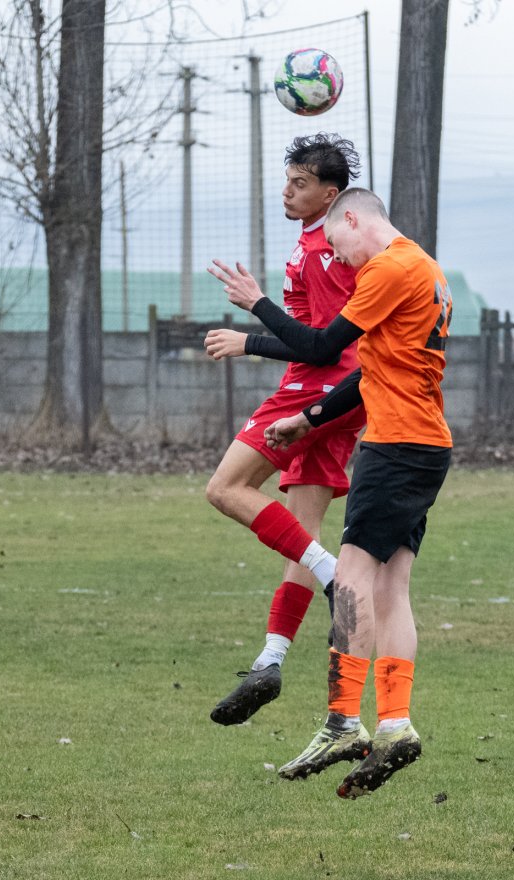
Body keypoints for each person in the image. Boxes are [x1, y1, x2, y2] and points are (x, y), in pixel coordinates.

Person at [206, 187, 453, 799]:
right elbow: (372, 372)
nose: (335, 257)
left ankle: (344, 720)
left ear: (352, 218)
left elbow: (321, 347)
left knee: (349, 582)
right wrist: (312, 418)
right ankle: (395, 723)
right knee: (392, 585)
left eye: (335, 242)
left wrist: (257, 305)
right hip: (427, 446)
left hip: (393, 448)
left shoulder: (387, 268)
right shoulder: (425, 268)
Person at [202, 134, 366, 727]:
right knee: (302, 532)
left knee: (224, 490)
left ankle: (333, 577)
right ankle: (270, 661)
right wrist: (253, 338)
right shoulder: (320, 240)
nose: (286, 192)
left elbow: (320, 348)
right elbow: (312, 341)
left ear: (331, 192)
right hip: (344, 395)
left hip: (318, 390)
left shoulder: (327, 247)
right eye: (287, 180)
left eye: (300, 183)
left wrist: (254, 314)